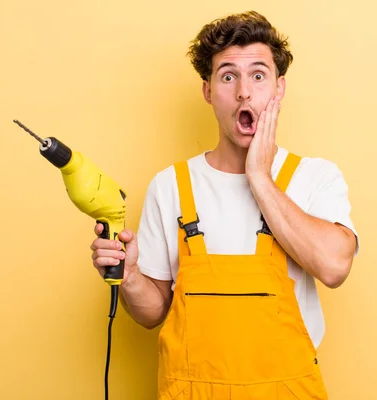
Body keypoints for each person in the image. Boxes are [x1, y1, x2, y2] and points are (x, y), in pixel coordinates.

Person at [90, 10, 359, 399]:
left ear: (279, 89)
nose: (244, 92)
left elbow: (335, 267)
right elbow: (152, 314)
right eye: (228, 76)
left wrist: (261, 178)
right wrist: (130, 276)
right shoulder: (170, 187)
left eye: (258, 75)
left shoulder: (316, 177)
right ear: (208, 90)